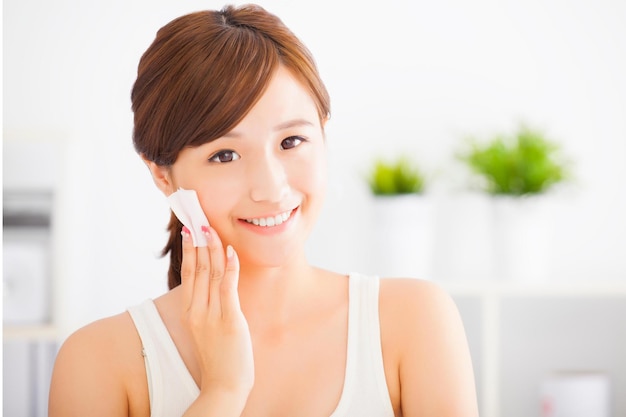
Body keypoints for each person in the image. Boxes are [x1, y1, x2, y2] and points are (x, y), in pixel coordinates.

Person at [48, 4, 479, 417]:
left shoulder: (413, 321)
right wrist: (223, 390)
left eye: (291, 142)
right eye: (224, 155)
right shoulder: (97, 362)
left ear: (323, 136)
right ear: (162, 175)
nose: (272, 189)